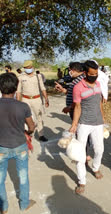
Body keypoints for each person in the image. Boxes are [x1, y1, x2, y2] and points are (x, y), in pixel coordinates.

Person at [0, 73, 36, 213]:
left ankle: (3, 207)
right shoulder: (23, 106)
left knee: (0, 179)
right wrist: (29, 133)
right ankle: (24, 204)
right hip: (20, 145)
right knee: (23, 177)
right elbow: (31, 126)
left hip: (1, 147)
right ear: (16, 88)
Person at [69, 60, 105, 194]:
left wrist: (103, 119)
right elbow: (77, 107)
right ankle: (81, 181)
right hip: (84, 123)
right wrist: (74, 125)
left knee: (99, 149)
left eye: (96, 73)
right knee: (80, 154)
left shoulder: (98, 84)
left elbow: (100, 103)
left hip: (98, 123)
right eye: (92, 74)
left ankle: (95, 167)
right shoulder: (78, 87)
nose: (94, 76)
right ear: (85, 73)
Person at [16, 60, 49, 142]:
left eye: (28, 68)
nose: (27, 69)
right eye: (25, 68)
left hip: (37, 99)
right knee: (26, 117)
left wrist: (46, 99)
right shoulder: (21, 77)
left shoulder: (38, 76)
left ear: (32, 67)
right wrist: (17, 102)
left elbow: (42, 88)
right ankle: (28, 134)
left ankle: (41, 135)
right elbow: (18, 91)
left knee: (39, 117)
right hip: (25, 99)